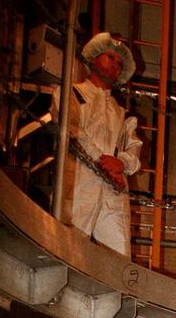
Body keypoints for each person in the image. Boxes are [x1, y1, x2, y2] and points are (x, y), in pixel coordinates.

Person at [54, 31, 142, 256]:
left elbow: (133, 147)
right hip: (78, 187)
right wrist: (103, 162)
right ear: (92, 58)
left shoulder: (122, 113)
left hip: (113, 194)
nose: (116, 65)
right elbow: (72, 130)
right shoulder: (69, 93)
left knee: (118, 262)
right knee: (68, 252)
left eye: (120, 64)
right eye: (110, 57)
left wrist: (121, 163)